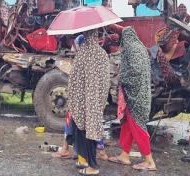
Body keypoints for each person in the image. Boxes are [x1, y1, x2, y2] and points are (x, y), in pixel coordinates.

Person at [109, 27, 157, 171]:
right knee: (127, 125)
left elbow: (133, 72)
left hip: (136, 98)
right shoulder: (141, 48)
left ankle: (149, 161)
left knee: (138, 128)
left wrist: (121, 78)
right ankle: (124, 155)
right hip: (140, 95)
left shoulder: (130, 49)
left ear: (125, 38)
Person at [67, 29, 110, 175]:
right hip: (96, 102)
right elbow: (105, 80)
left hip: (84, 103)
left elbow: (75, 78)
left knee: (85, 133)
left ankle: (93, 167)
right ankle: (87, 162)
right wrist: (99, 99)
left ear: (86, 36)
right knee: (92, 132)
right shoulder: (102, 53)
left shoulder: (84, 53)